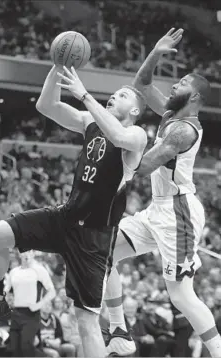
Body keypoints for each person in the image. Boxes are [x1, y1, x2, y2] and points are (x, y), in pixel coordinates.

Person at [0, 60, 147, 356]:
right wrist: (57, 65)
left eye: (123, 96)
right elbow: (47, 106)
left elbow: (119, 136)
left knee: (85, 321)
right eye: (113, 94)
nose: (113, 97)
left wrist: (85, 94)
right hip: (64, 217)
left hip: (93, 238)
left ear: (135, 111)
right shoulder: (90, 122)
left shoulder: (137, 136)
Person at [103, 28, 221, 358]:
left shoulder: (183, 130)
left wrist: (114, 134)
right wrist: (155, 52)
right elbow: (139, 85)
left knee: (181, 295)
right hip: (157, 210)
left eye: (182, 84)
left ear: (195, 98)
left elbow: (141, 167)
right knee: (105, 251)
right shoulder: (170, 114)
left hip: (178, 213)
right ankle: (118, 331)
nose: (175, 85)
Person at [5, 250, 56, 357]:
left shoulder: (40, 270)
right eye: (23, 251)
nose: (26, 254)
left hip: (31, 314)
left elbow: (52, 292)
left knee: (26, 347)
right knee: (14, 349)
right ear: (19, 254)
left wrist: (39, 304)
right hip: (16, 312)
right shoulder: (14, 272)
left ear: (33, 254)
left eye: (29, 251)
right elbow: (6, 291)